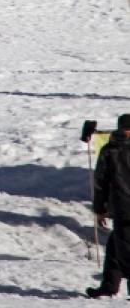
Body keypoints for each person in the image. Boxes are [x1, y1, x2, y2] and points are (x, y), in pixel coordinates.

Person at [87, 114, 130, 298]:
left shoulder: (109, 150)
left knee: (126, 252)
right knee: (115, 247)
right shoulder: (110, 149)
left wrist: (99, 209)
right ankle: (109, 286)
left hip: (123, 210)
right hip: (124, 211)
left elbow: (100, 183)